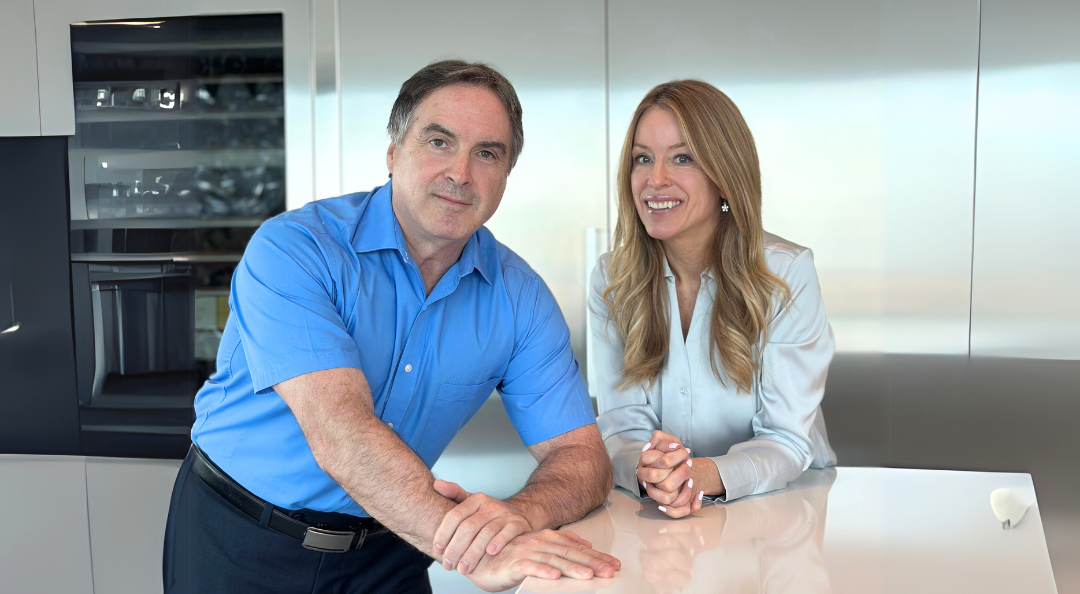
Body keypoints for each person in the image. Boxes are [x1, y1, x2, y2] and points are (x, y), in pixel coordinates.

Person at [163, 60, 620, 594]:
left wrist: (514, 517)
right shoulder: (295, 249)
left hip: (389, 546)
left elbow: (582, 457)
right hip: (241, 535)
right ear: (393, 152)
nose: (460, 173)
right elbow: (340, 431)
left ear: (506, 176)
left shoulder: (521, 298)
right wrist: (473, 554)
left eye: (487, 154)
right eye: (439, 142)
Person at [589, 79, 837, 519]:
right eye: (643, 158)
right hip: (658, 517)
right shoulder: (613, 279)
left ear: (724, 177)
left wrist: (699, 476)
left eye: (682, 158)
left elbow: (785, 438)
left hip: (778, 512)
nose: (655, 179)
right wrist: (648, 470)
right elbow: (621, 425)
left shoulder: (784, 273)